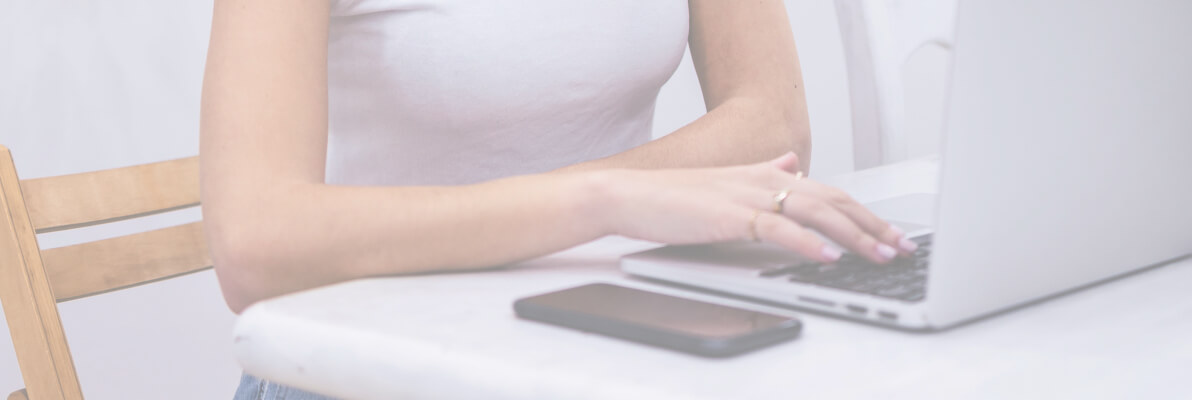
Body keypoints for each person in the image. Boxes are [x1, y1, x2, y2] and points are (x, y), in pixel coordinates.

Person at [201, 0, 917, 398]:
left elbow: (772, 120)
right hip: (370, 358)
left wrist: (609, 201)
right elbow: (255, 243)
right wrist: (597, 201)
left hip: (604, 330)